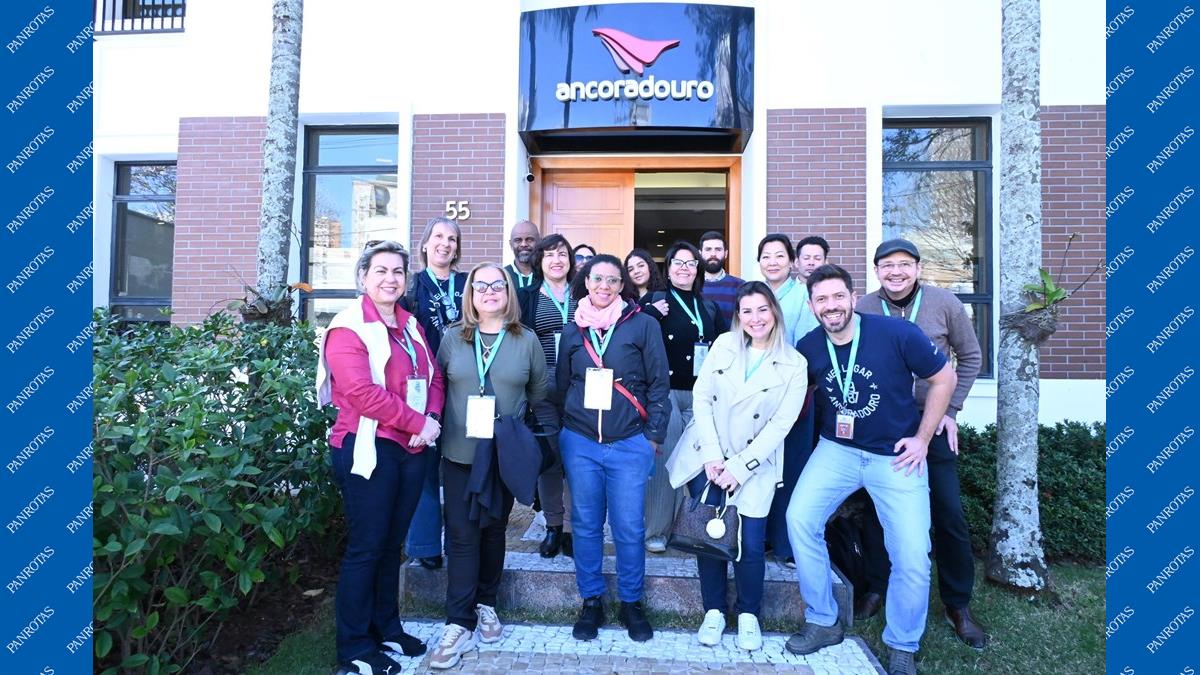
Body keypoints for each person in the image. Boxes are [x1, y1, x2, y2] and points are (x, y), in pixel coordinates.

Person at [785, 264, 957, 675]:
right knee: (799, 519)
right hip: (837, 450)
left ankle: (902, 644)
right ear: (811, 306)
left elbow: (944, 379)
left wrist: (922, 438)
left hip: (895, 456)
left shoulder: (896, 333)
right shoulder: (809, 346)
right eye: (821, 299)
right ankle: (823, 619)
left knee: (912, 553)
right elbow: (794, 391)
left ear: (853, 297)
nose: (831, 306)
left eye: (837, 296)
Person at [316, 240, 445, 675]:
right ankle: (354, 647)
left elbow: (433, 377)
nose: (391, 279)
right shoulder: (348, 327)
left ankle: (386, 627)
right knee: (367, 548)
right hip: (367, 447)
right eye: (381, 271)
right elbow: (361, 392)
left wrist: (431, 418)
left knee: (392, 546)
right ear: (363, 277)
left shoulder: (410, 324)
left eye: (398, 271)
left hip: (411, 446)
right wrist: (418, 422)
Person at [854, 238, 986, 648]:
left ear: (918, 268)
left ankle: (957, 603)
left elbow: (971, 357)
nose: (896, 272)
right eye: (887, 265)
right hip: (885, 424)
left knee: (948, 512)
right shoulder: (864, 307)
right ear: (877, 271)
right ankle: (876, 586)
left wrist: (951, 409)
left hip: (934, 422)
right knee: (876, 511)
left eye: (904, 264)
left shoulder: (944, 303)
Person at [665, 281, 807, 651]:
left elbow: (781, 425)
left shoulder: (794, 364)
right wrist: (714, 456)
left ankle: (748, 614)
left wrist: (740, 467)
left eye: (762, 309)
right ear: (738, 316)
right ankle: (713, 610)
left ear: (774, 312)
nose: (755, 318)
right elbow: (702, 397)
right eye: (747, 311)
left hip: (754, 465)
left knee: (751, 544)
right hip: (709, 457)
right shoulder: (724, 346)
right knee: (708, 536)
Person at [428, 262, 548, 669]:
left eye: (498, 285)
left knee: (494, 530)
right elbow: (439, 386)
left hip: (502, 456)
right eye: (481, 286)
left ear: (509, 293)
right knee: (462, 535)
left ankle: (487, 603)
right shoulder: (453, 339)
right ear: (471, 295)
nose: (490, 292)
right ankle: (458, 622)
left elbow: (538, 392)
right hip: (460, 454)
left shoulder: (526, 340)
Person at [556, 254, 670, 643]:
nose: (604, 286)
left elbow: (659, 382)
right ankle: (591, 600)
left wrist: (652, 436)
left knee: (629, 526)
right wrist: (567, 432)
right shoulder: (572, 329)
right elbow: (562, 385)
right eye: (597, 278)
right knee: (586, 524)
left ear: (622, 286)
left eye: (612, 280)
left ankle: (631, 601)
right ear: (585, 282)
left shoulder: (643, 324)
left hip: (629, 442)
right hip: (581, 442)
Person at [640, 241, 727, 553]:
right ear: (668, 268)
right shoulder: (655, 300)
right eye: (678, 262)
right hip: (664, 392)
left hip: (701, 394)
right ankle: (656, 531)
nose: (684, 268)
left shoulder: (709, 307)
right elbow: (633, 332)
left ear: (698, 269)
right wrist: (647, 313)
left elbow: (724, 347)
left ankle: (693, 529)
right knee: (666, 460)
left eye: (691, 263)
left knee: (699, 462)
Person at [404, 217, 469, 571]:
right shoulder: (412, 286)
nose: (445, 243)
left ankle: (464, 540)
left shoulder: (469, 283)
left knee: (462, 464)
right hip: (424, 386)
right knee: (423, 464)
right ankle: (425, 544)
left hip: (464, 385)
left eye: (452, 239)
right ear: (426, 243)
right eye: (439, 237)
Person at [758, 234, 819, 568]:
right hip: (758, 397)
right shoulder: (756, 294)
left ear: (792, 261)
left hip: (794, 394)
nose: (772, 262)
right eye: (766, 256)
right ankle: (760, 538)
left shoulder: (803, 296)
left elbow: (808, 348)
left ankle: (786, 544)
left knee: (791, 470)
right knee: (760, 466)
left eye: (779, 256)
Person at [517, 234, 578, 558]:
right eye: (550, 254)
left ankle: (571, 528)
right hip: (541, 389)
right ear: (540, 261)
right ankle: (553, 525)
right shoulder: (527, 297)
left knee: (576, 459)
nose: (557, 260)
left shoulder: (584, 294)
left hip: (580, 390)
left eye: (562, 254)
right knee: (550, 458)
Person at [699, 230, 744, 324]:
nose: (713, 254)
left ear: (726, 254)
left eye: (718, 249)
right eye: (708, 249)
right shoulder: (690, 285)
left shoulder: (741, 286)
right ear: (700, 254)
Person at [504, 219, 540, 289]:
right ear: (511, 244)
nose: (524, 244)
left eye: (529, 240)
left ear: (539, 242)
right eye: (518, 240)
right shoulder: (502, 275)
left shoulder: (548, 275)